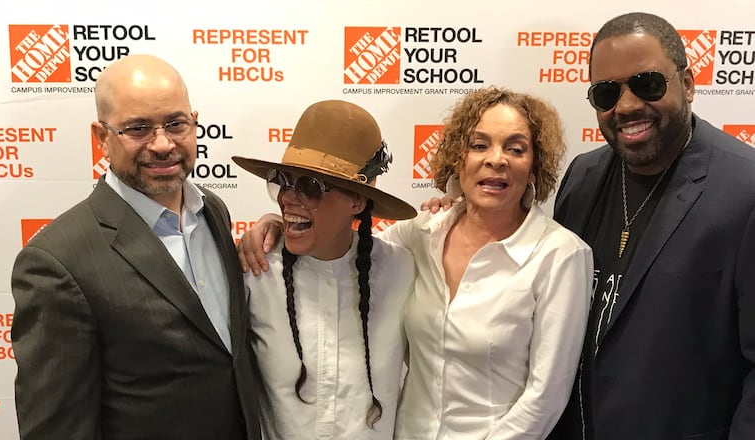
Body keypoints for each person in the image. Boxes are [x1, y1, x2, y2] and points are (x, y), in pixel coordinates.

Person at [238, 87, 594, 439]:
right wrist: (275, 225)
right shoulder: (419, 238)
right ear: (459, 157)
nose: (496, 159)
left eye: (515, 148)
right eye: (479, 145)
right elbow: (340, 245)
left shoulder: (560, 255)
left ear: (535, 166)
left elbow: (545, 397)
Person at [10, 54, 261, 440]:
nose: (162, 144)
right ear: (102, 138)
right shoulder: (57, 261)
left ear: (193, 122)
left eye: (176, 124)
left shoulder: (213, 210)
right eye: (138, 128)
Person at [545, 12, 755, 440]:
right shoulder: (581, 178)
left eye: (647, 84)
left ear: (689, 84)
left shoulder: (746, 190)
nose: (625, 106)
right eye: (606, 94)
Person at [231, 99, 416, 439]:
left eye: (310, 188)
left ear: (357, 201)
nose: (288, 198)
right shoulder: (254, 272)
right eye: (282, 181)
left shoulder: (402, 270)